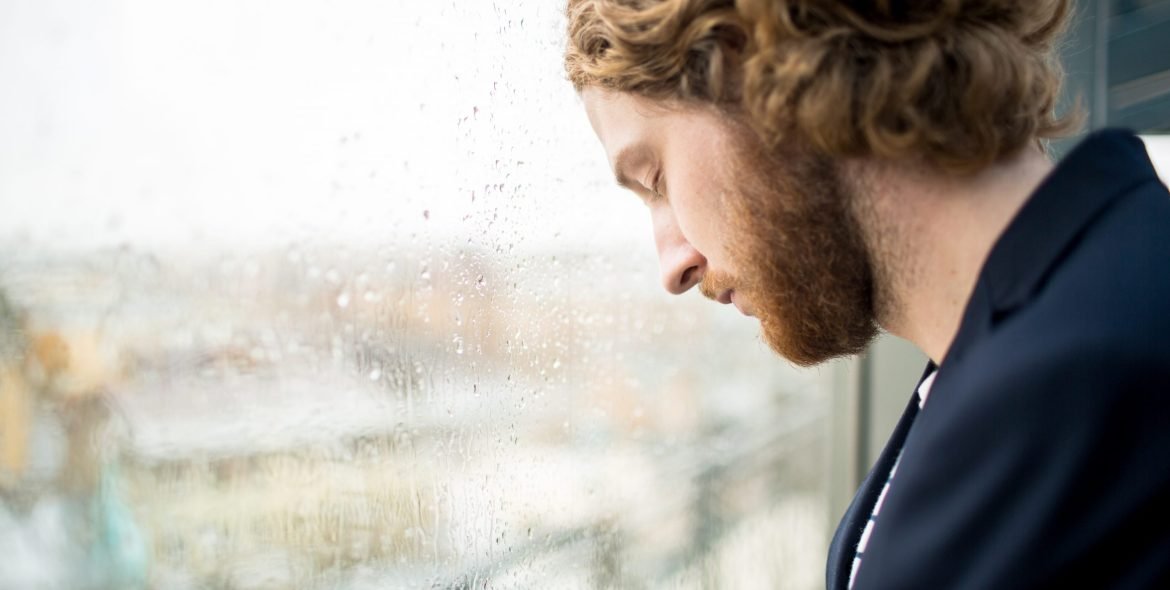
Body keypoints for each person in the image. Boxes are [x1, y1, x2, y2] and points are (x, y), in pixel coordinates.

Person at [563, 1, 1170, 588]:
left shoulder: (1079, 398)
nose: (673, 266)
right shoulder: (1082, 300)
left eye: (656, 179)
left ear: (757, 63)